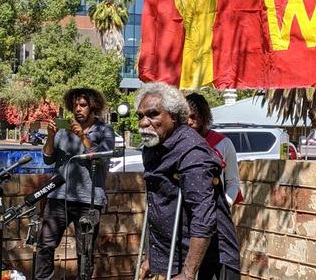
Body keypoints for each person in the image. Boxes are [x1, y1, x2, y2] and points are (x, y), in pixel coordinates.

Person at [135, 82, 240, 280]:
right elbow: (160, 207)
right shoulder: (153, 148)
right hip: (177, 253)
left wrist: (188, 273)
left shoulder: (193, 153)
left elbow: (203, 216)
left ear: (173, 116)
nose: (143, 122)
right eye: (140, 116)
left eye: (152, 114)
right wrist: (154, 257)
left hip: (210, 259)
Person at [36, 88, 115, 280]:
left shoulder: (105, 130)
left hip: (88, 201)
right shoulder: (63, 130)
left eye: (83, 105)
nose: (78, 109)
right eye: (75, 105)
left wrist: (83, 138)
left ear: (93, 107)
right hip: (58, 197)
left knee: (85, 253)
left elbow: (102, 160)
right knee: (45, 246)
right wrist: (52, 136)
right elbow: (48, 159)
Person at [185, 92, 242, 206]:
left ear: (204, 116)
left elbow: (233, 183)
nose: (189, 122)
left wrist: (224, 206)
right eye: (185, 118)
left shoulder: (224, 144)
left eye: (193, 117)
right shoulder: (179, 144)